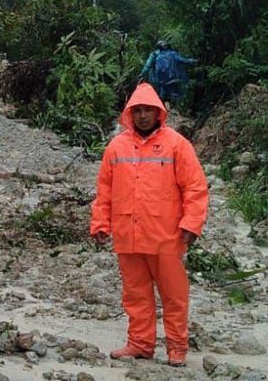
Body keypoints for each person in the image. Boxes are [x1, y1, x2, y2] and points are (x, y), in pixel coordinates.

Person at [89, 83, 208, 367]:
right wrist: (100, 223)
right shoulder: (117, 147)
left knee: (173, 295)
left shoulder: (177, 144)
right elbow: (104, 189)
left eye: (148, 111)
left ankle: (177, 347)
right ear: (130, 113)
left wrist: (191, 223)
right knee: (135, 294)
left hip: (166, 235)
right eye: (138, 110)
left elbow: (195, 187)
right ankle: (140, 344)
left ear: (159, 113)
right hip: (128, 235)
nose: (143, 115)